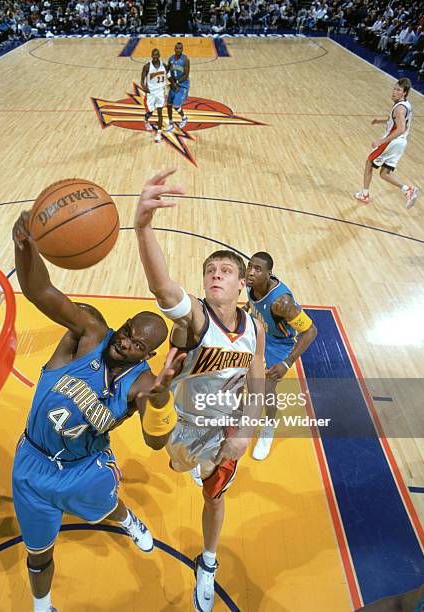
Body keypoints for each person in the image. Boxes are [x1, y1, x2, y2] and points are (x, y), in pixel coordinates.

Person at [11, 208, 184, 612]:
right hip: (32, 463)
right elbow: (40, 292)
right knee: (38, 555)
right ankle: (42, 607)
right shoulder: (88, 336)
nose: (126, 343)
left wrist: (159, 401)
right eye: (126, 333)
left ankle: (127, 520)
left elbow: (156, 443)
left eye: (138, 345)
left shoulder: (142, 383)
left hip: (84, 467)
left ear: (149, 354)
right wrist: (25, 248)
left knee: (108, 506)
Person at [134, 169, 266, 612]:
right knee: (173, 462)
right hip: (181, 424)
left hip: (220, 428)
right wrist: (143, 226)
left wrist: (245, 430)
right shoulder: (195, 318)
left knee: (213, 495)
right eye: (210, 270)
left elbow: (258, 379)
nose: (216, 275)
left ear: (242, 284)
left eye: (226, 271)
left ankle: (207, 561)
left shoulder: (256, 327)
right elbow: (162, 285)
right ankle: (192, 460)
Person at [245, 252, 318, 460]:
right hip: (259, 329)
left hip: (278, 343)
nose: (251, 272)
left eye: (257, 269)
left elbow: (311, 331)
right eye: (250, 266)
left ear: (268, 274)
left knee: (268, 388)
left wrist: (287, 363)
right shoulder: (251, 284)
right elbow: (253, 303)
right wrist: (244, 311)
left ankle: (268, 427)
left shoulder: (282, 303)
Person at [354, 78, 419, 209]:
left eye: (398, 90)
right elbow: (396, 120)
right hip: (401, 144)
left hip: (392, 142)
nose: (394, 92)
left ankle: (364, 194)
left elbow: (401, 128)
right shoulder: (405, 105)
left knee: (369, 163)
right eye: (394, 88)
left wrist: (381, 141)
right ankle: (407, 190)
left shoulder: (399, 108)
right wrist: (381, 120)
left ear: (405, 93)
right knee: (384, 173)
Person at [141, 48, 168, 144]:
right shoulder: (147, 66)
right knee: (150, 111)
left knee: (160, 112)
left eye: (157, 55)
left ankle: (159, 134)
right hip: (151, 93)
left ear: (159, 55)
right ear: (151, 55)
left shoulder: (164, 66)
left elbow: (169, 76)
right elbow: (142, 80)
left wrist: (173, 85)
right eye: (154, 55)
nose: (155, 56)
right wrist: (144, 88)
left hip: (160, 92)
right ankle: (145, 120)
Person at [165, 42, 190, 132]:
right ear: (174, 49)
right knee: (168, 105)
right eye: (177, 48)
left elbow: (186, 75)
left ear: (182, 49)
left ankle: (184, 118)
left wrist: (177, 83)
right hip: (174, 84)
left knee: (176, 106)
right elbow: (167, 71)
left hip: (182, 85)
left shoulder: (185, 60)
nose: (178, 50)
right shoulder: (170, 59)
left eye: (180, 48)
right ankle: (170, 123)